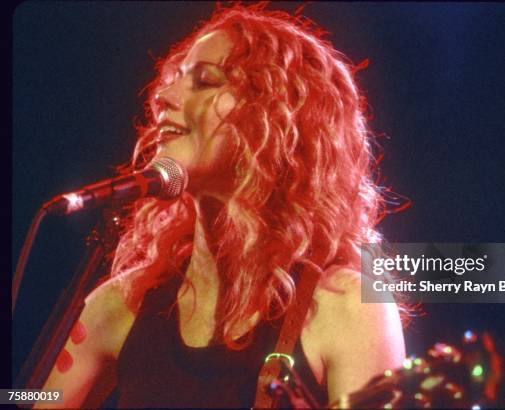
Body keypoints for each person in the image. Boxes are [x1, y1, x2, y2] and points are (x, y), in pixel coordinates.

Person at [37, 4, 407, 408]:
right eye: (174, 80)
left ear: (276, 119)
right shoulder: (120, 306)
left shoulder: (346, 307)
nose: (163, 96)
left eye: (204, 82)